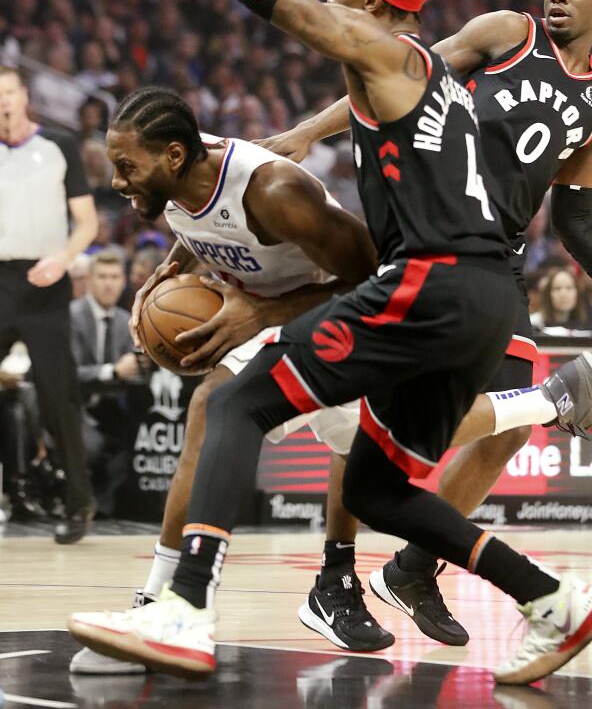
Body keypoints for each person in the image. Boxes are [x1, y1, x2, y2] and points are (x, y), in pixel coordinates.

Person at [68, 0, 592, 686]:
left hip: (434, 279)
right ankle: (551, 600)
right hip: (486, 294)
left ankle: (183, 609)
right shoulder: (429, 83)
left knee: (233, 405)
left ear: (371, 1)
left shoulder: (387, 54)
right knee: (378, 489)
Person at [261, 0, 592, 644]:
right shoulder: (506, 33)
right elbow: (396, 73)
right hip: (423, 233)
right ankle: (334, 577)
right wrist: (308, 133)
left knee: (509, 426)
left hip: (497, 260)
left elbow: (577, 219)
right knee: (378, 409)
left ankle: (413, 568)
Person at [69, 84, 388, 675]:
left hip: (338, 314)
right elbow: (201, 223)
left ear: (172, 156)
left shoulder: (273, 190)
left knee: (354, 446)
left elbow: (372, 275)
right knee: (211, 407)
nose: (116, 181)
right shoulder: (169, 181)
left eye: (125, 167)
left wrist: (265, 313)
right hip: (260, 313)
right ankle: (162, 600)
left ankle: (336, 581)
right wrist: (171, 273)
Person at [0, 64, 98, 543]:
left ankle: (79, 504)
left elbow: (86, 222)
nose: (3, 101)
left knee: (58, 397)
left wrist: (63, 259)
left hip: (45, 279)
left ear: (23, 96)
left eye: (9, 92)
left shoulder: (58, 146)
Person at [70, 250, 146, 516]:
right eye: (102, 276)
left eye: (115, 277)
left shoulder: (127, 320)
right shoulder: (71, 316)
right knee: (93, 446)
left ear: (124, 281)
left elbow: (136, 370)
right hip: (74, 407)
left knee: (138, 439)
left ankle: (106, 512)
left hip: (113, 408)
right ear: (89, 280)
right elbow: (70, 375)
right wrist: (112, 372)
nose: (109, 283)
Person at [529, 268, 590, 334]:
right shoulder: (532, 323)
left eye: (569, 288)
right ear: (548, 294)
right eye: (557, 288)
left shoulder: (585, 327)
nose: (563, 294)